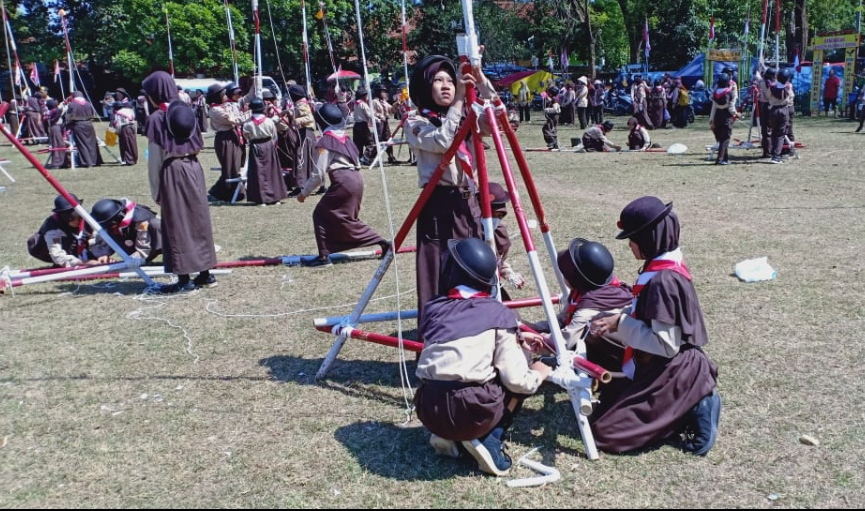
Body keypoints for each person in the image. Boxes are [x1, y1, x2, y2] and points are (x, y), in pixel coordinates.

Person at [589, 196, 720, 455]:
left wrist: (621, 322)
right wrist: (615, 318)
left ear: (649, 238)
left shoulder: (663, 281)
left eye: (632, 238)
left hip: (672, 367)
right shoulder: (662, 266)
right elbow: (645, 311)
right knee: (600, 354)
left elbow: (665, 345)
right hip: (657, 360)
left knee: (607, 434)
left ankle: (693, 406)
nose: (629, 244)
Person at [413, 237, 553, 476]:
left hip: (428, 408)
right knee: (516, 375)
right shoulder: (497, 313)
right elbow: (517, 380)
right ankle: (491, 439)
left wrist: (515, 335)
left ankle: (449, 435)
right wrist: (538, 374)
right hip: (471, 411)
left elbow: (464, 331)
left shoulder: (433, 308)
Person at [405, 54, 496, 321]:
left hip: (468, 201)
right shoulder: (415, 121)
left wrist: (481, 81)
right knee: (440, 268)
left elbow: (495, 120)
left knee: (476, 262)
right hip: (439, 204)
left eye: (450, 80)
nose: (446, 86)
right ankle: (440, 327)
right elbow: (443, 141)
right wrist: (458, 101)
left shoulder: (465, 115)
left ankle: (481, 321)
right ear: (425, 86)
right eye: (438, 80)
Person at [141, 71, 218, 293]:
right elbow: (199, 141)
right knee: (198, 219)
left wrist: (156, 190)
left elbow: (155, 158)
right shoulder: (186, 111)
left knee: (176, 223)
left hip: (172, 170)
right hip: (194, 168)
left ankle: (184, 278)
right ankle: (205, 273)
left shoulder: (157, 118)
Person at [523, 237, 634, 384]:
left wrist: (535, 338)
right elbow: (563, 319)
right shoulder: (599, 289)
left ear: (576, 279)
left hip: (620, 361)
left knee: (588, 334)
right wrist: (535, 327)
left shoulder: (588, 309)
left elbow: (564, 341)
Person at [296, 103, 388, 267]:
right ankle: (382, 243)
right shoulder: (346, 138)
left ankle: (324, 258)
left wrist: (304, 193)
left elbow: (318, 173)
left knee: (321, 214)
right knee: (346, 218)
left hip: (343, 180)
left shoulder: (325, 142)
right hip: (356, 178)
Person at [27, 194, 106, 268]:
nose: (79, 221)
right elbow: (57, 256)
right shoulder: (52, 229)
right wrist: (83, 262)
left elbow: (96, 239)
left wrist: (102, 254)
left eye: (80, 216)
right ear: (66, 217)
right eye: (74, 218)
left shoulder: (87, 219)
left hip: (81, 248)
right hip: (55, 249)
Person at [241, 98, 288, 206]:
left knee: (258, 172)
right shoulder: (269, 121)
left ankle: (261, 199)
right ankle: (276, 198)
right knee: (272, 171)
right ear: (263, 108)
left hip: (255, 146)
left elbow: (246, 136)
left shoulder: (247, 123)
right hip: (268, 146)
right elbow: (274, 135)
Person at [87, 197, 163, 264]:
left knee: (156, 224)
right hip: (133, 244)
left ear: (114, 221)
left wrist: (131, 261)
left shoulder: (141, 218)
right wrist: (102, 254)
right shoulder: (113, 221)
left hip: (153, 242)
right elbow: (104, 233)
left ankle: (171, 259)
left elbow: (144, 247)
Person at [206, 82, 247, 202]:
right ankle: (220, 192)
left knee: (236, 165)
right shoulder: (215, 110)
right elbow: (234, 120)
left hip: (233, 136)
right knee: (230, 166)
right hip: (225, 138)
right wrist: (250, 113)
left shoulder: (225, 106)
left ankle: (236, 191)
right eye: (224, 95)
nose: (226, 97)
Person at [485, 182, 526, 301]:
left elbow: (499, 261)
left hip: (493, 285)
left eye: (499, 215)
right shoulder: (469, 231)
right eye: (491, 214)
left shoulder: (500, 235)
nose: (494, 219)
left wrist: (509, 274)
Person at [286, 84, 319, 197]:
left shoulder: (302, 105)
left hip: (306, 134)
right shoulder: (299, 104)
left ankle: (302, 185)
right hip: (302, 133)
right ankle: (300, 184)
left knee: (301, 158)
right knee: (302, 158)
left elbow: (309, 118)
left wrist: (298, 120)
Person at [65, 91, 103, 167]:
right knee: (92, 144)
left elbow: (68, 118)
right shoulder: (88, 104)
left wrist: (68, 125)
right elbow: (93, 116)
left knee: (82, 144)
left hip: (78, 125)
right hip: (89, 125)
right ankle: (95, 161)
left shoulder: (72, 104)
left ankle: (87, 162)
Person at [708, 73, 739, 165]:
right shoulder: (730, 93)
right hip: (726, 116)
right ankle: (720, 159)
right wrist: (736, 114)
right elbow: (731, 108)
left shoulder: (715, 93)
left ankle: (725, 158)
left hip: (717, 116)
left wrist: (711, 120)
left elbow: (713, 106)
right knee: (725, 139)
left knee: (720, 139)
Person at [373, 86, 398, 164]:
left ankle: (391, 156)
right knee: (378, 140)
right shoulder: (374, 101)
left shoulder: (384, 102)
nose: (385, 93)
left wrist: (395, 105)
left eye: (385, 92)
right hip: (378, 123)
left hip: (385, 123)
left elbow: (391, 110)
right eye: (383, 92)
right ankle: (373, 158)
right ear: (379, 93)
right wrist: (380, 115)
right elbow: (372, 112)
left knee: (388, 139)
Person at [352, 86, 377, 165]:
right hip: (363, 125)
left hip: (356, 125)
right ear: (363, 96)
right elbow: (369, 115)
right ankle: (365, 158)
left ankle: (358, 159)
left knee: (358, 144)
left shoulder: (356, 104)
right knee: (371, 143)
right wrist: (377, 119)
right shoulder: (363, 104)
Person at [111, 101, 138, 165]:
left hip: (124, 128)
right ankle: (134, 158)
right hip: (132, 127)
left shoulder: (118, 113)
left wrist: (117, 132)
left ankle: (129, 160)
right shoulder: (129, 110)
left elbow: (118, 124)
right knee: (132, 144)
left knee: (126, 145)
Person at [45, 99, 69, 169]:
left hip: (56, 127)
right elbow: (60, 111)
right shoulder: (54, 111)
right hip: (55, 127)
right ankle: (58, 162)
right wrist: (65, 105)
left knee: (59, 143)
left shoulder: (51, 111)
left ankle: (61, 161)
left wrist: (63, 104)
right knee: (58, 144)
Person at [542, 85, 561, 149]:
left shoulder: (554, 99)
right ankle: (555, 145)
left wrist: (547, 110)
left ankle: (551, 141)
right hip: (553, 117)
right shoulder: (554, 98)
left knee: (546, 128)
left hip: (553, 117)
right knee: (552, 130)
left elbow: (556, 109)